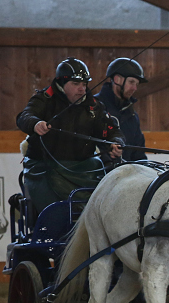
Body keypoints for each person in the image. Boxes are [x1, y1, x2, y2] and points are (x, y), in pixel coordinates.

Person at [16, 57, 123, 216]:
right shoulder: (44, 99)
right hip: (43, 167)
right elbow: (24, 116)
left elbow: (111, 130)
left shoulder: (94, 106)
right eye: (75, 84)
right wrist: (35, 124)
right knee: (53, 211)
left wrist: (115, 143)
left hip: (84, 168)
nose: (82, 89)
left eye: (84, 84)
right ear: (61, 84)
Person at [94, 57, 148, 163]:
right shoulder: (93, 107)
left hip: (126, 176)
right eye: (131, 82)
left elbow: (139, 154)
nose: (134, 88)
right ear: (117, 79)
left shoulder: (132, 116)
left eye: (136, 84)